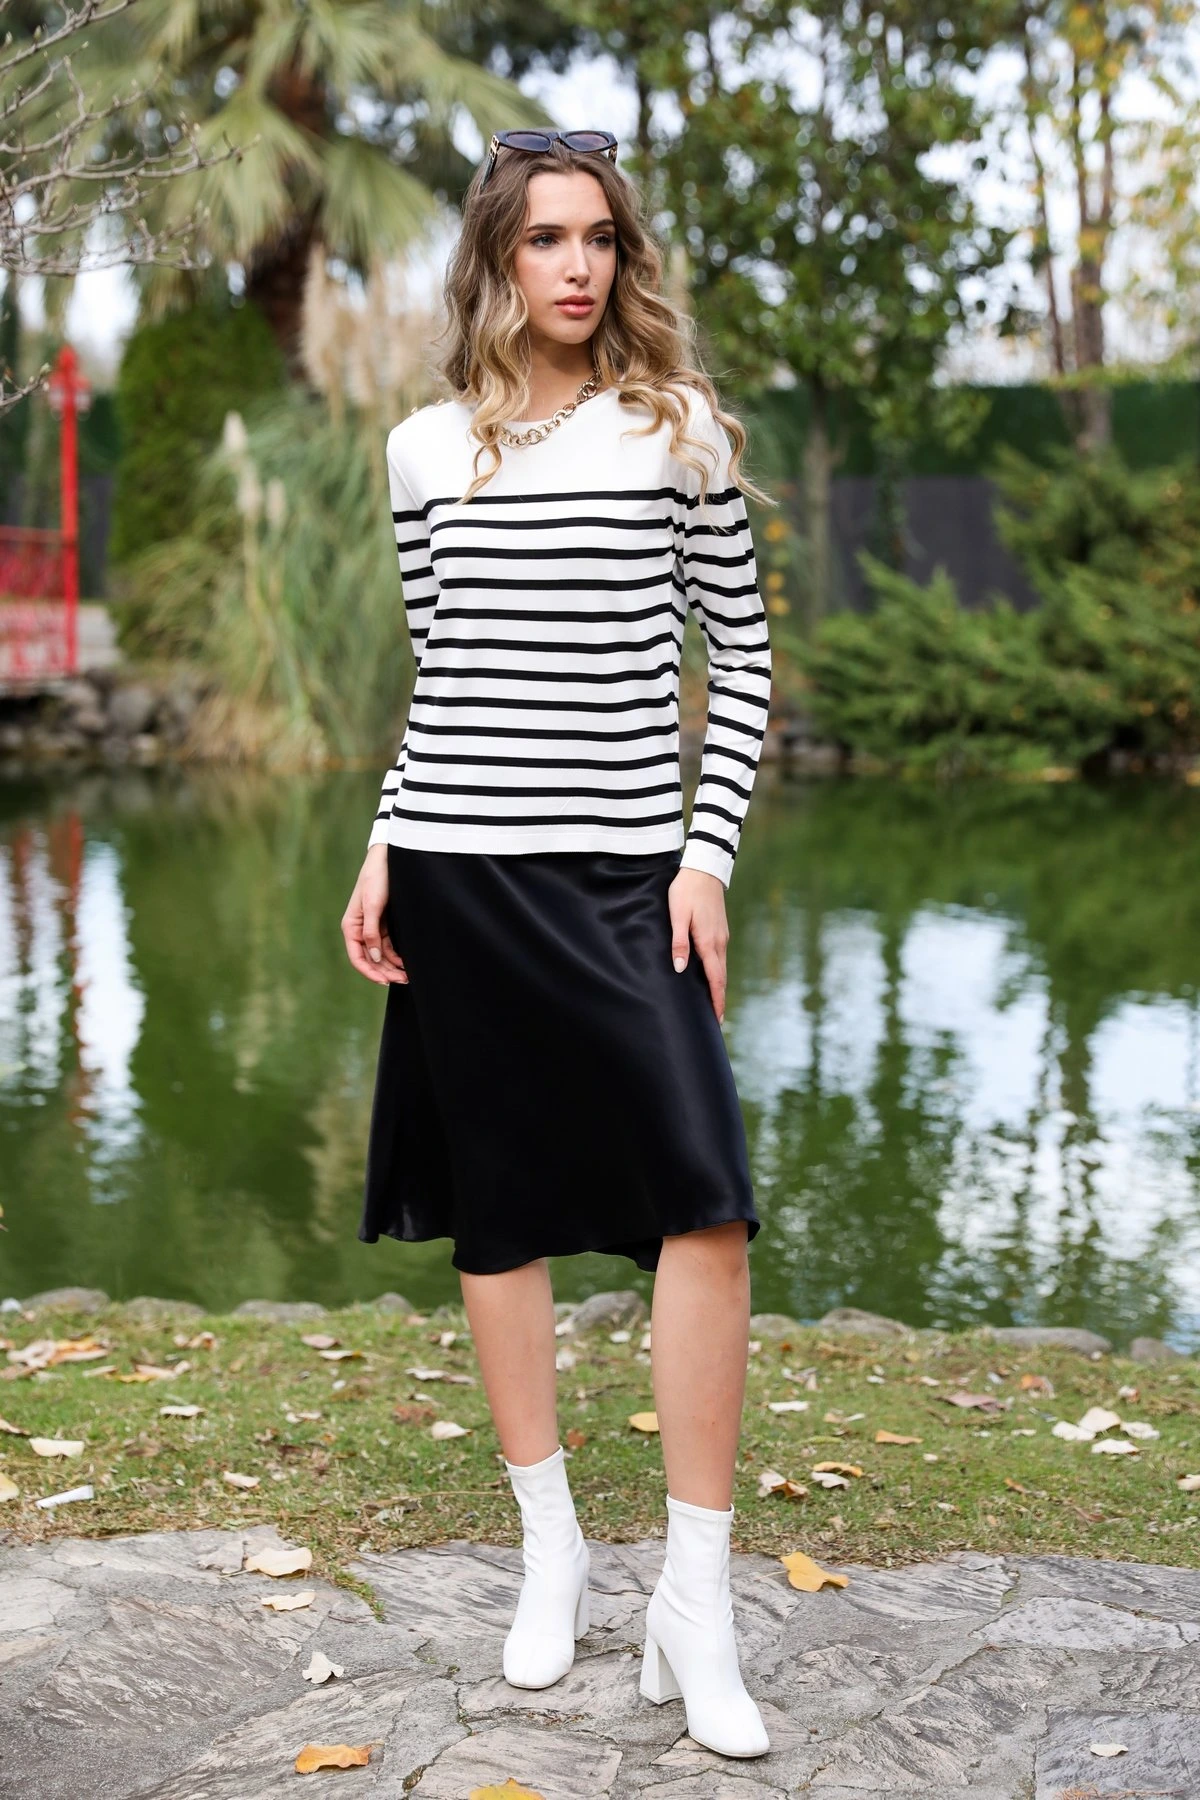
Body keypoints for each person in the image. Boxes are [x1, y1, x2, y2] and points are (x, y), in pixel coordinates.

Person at [341, 126, 775, 1759]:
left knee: (705, 1206)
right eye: (544, 239)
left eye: (598, 237)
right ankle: (553, 1552)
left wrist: (705, 859)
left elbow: (744, 661)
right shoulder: (419, 452)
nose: (577, 266)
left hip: (626, 880)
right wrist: (385, 841)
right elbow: (443, 675)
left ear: (622, 255)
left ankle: (697, 1601)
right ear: (496, 261)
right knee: (500, 1213)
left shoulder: (679, 433)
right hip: (458, 873)